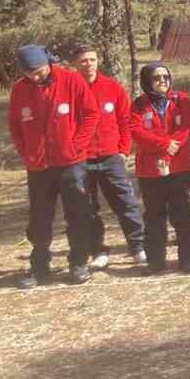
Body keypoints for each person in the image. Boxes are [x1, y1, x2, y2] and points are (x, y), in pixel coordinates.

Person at [8, 44, 98, 287]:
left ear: (47, 63)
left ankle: (78, 263)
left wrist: (76, 146)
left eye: (39, 71)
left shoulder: (71, 80)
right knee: (39, 219)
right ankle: (39, 268)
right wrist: (26, 153)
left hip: (71, 163)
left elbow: (91, 114)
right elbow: (15, 125)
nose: (36, 77)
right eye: (30, 74)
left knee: (77, 214)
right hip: (38, 167)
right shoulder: (19, 89)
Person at [75, 45, 145, 268]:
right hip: (81, 160)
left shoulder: (112, 87)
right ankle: (98, 251)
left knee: (126, 203)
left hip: (111, 157)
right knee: (87, 208)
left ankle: (138, 247)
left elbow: (125, 120)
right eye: (84, 60)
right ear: (75, 64)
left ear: (98, 62)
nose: (89, 64)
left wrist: (124, 149)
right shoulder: (71, 88)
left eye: (92, 59)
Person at [128, 62, 190, 274]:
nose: (162, 82)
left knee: (181, 213)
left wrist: (170, 149)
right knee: (154, 216)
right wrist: (163, 145)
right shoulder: (138, 105)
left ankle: (188, 260)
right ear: (147, 81)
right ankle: (155, 261)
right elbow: (136, 130)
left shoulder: (181, 100)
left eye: (166, 77)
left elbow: (185, 127)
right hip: (150, 169)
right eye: (157, 78)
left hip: (178, 165)